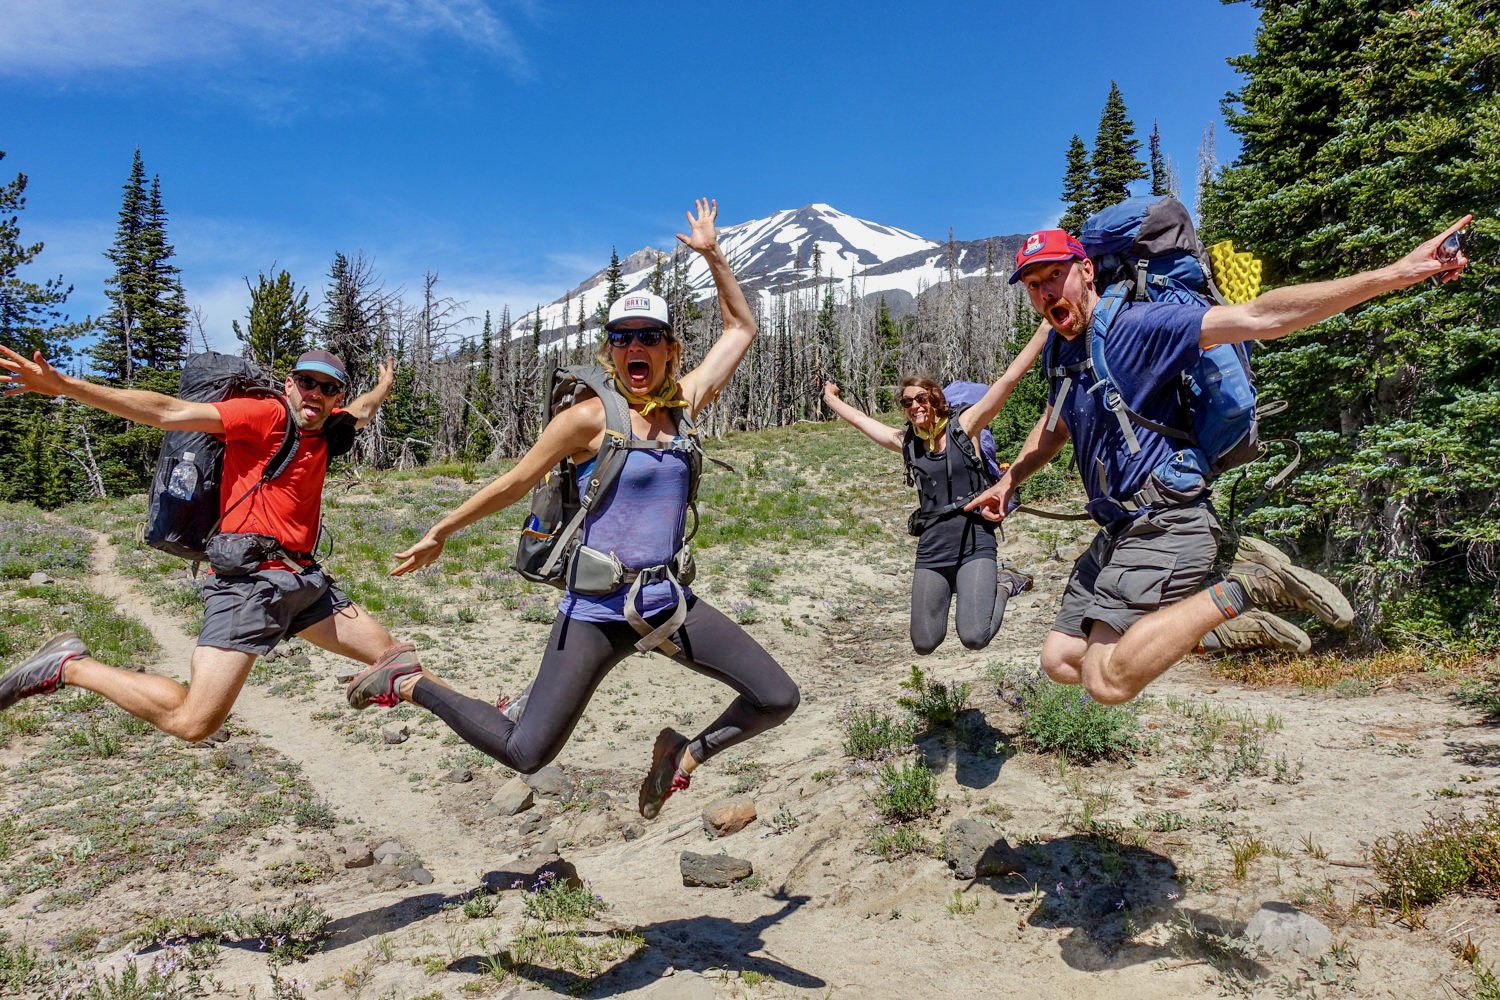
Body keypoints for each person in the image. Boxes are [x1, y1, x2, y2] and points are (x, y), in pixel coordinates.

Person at [346, 198, 799, 820]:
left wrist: (714, 254)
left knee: (777, 696)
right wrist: (441, 530)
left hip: (667, 603)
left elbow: (742, 329)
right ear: (609, 351)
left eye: (648, 337)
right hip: (594, 611)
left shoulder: (687, 403)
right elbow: (513, 483)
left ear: (670, 348)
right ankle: (412, 684)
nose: (633, 348)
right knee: (527, 750)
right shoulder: (587, 419)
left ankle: (680, 757)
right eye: (621, 339)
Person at [968, 217, 1471, 704]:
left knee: (1106, 681)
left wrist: (1396, 273)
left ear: (1086, 270)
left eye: (1054, 275)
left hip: (1167, 520)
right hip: (1119, 527)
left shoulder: (1139, 327)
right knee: (1061, 661)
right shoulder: (1064, 349)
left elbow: (1260, 317)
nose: (1045, 292)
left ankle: (1247, 587)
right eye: (1033, 285)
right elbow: (1056, 426)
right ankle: (1225, 615)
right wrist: (1010, 479)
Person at [0, 346, 405, 741]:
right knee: (193, 721)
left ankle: (470, 729)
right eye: (306, 381)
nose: (315, 392)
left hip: (303, 582)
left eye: (327, 387)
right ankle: (71, 667)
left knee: (395, 657)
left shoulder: (331, 426)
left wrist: (384, 386)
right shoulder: (265, 415)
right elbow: (168, 412)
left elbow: (364, 410)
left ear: (338, 396)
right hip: (250, 584)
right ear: (289, 384)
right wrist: (68, 385)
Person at [820, 327, 1046, 653]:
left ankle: (1004, 584)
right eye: (907, 402)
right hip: (932, 548)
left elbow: (1008, 379)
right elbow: (859, 420)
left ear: (936, 400)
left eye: (921, 399)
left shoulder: (965, 427)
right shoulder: (907, 443)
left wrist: (1044, 330)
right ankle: (965, 587)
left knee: (974, 636)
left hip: (974, 541)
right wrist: (830, 398)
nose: (914, 406)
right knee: (925, 642)